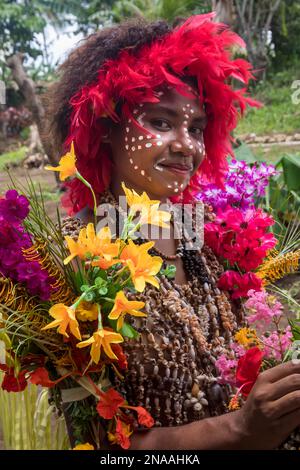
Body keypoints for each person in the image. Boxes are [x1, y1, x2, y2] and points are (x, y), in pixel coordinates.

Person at [45, 14, 300, 450]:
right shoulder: (69, 260)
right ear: (105, 127)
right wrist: (239, 431)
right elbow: (98, 444)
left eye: (197, 128)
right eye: (161, 123)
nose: (186, 145)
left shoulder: (203, 234)